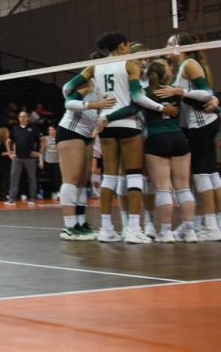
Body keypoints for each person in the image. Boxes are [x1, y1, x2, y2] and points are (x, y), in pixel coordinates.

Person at [65, 32, 171, 243]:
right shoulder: (130, 64)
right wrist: (162, 107)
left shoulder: (95, 67)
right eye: (128, 44)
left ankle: (106, 229)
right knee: (133, 176)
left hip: (105, 124)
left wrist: (89, 101)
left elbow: (67, 89)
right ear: (122, 46)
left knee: (109, 177)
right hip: (128, 123)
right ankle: (133, 228)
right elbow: (137, 98)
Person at [160, 33, 221, 241]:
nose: (166, 48)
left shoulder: (189, 63)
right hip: (197, 125)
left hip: (201, 125)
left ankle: (211, 225)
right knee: (211, 175)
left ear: (180, 47)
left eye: (170, 45)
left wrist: (178, 91)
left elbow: (207, 93)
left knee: (202, 175)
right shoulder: (182, 67)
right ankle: (207, 223)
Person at [142, 59, 198, 242]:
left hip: (157, 138)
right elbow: (200, 98)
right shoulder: (175, 91)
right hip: (178, 138)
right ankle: (189, 231)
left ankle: (166, 232)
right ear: (167, 74)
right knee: (183, 187)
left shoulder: (146, 93)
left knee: (163, 188)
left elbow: (132, 106)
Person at [56, 72, 114, 240]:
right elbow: (69, 103)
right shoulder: (89, 84)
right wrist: (96, 103)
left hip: (87, 135)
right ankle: (69, 226)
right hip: (70, 132)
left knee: (83, 181)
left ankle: (80, 223)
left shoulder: (105, 87)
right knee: (71, 179)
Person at [4, 110, 41, 206]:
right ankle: (12, 199)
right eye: (21, 116)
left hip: (30, 158)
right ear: (18, 118)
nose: (22, 118)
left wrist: (40, 152)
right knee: (14, 178)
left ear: (28, 118)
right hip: (17, 158)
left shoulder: (33, 128)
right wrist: (9, 153)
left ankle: (32, 199)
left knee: (32, 178)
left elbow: (43, 140)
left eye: (24, 116)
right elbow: (8, 141)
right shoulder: (15, 128)